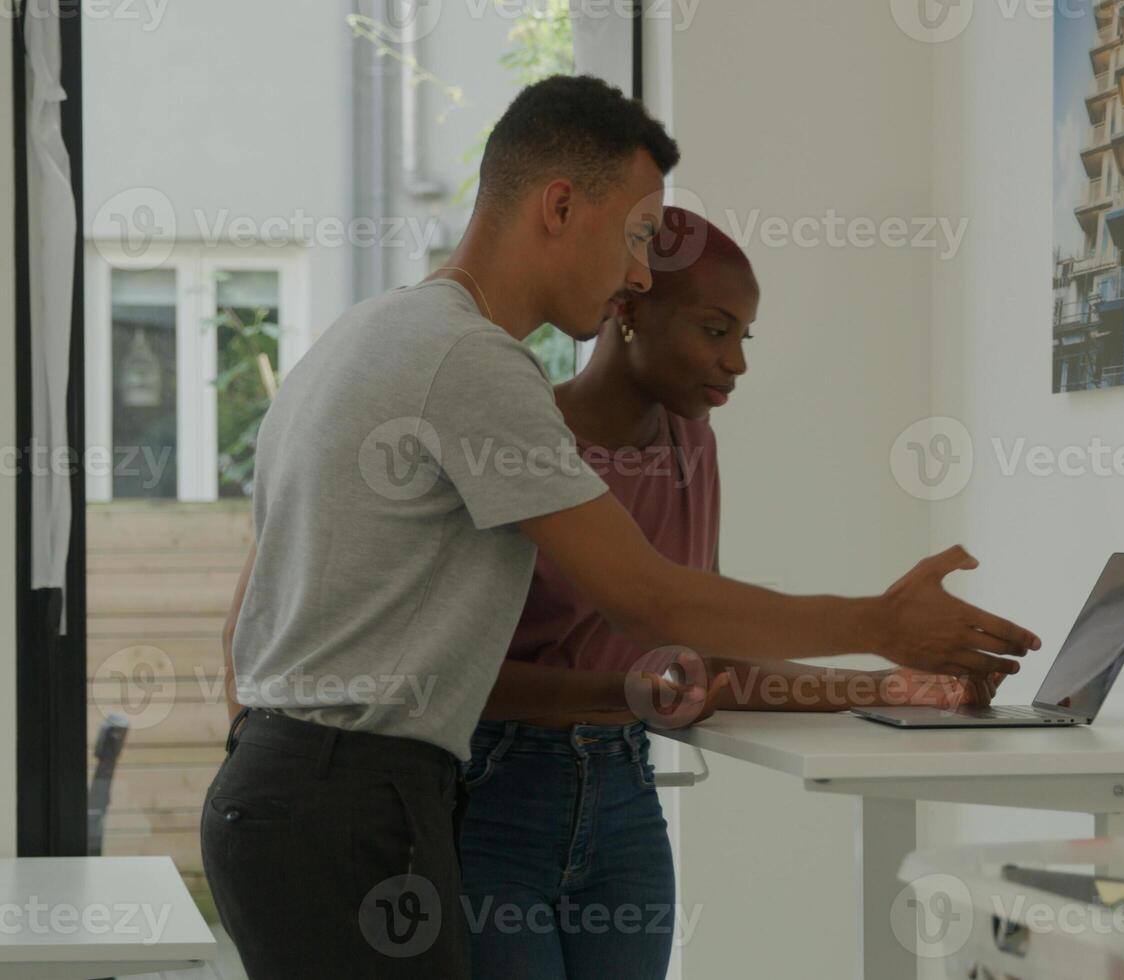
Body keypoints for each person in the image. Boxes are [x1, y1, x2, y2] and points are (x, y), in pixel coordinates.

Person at [206, 75, 1039, 979]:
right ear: (561, 206)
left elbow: (239, 624)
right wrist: (880, 626)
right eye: (638, 236)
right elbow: (648, 599)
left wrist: (284, 769)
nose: (640, 271)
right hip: (355, 800)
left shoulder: (365, 334)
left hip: (289, 788)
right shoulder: (472, 362)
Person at [457, 209, 1000, 978]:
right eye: (716, 330)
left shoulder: (690, 444)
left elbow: (699, 661)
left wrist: (898, 688)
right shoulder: (521, 437)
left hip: (624, 796)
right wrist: (630, 689)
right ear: (627, 308)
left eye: (744, 336)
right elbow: (464, 681)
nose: (736, 361)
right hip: (496, 797)